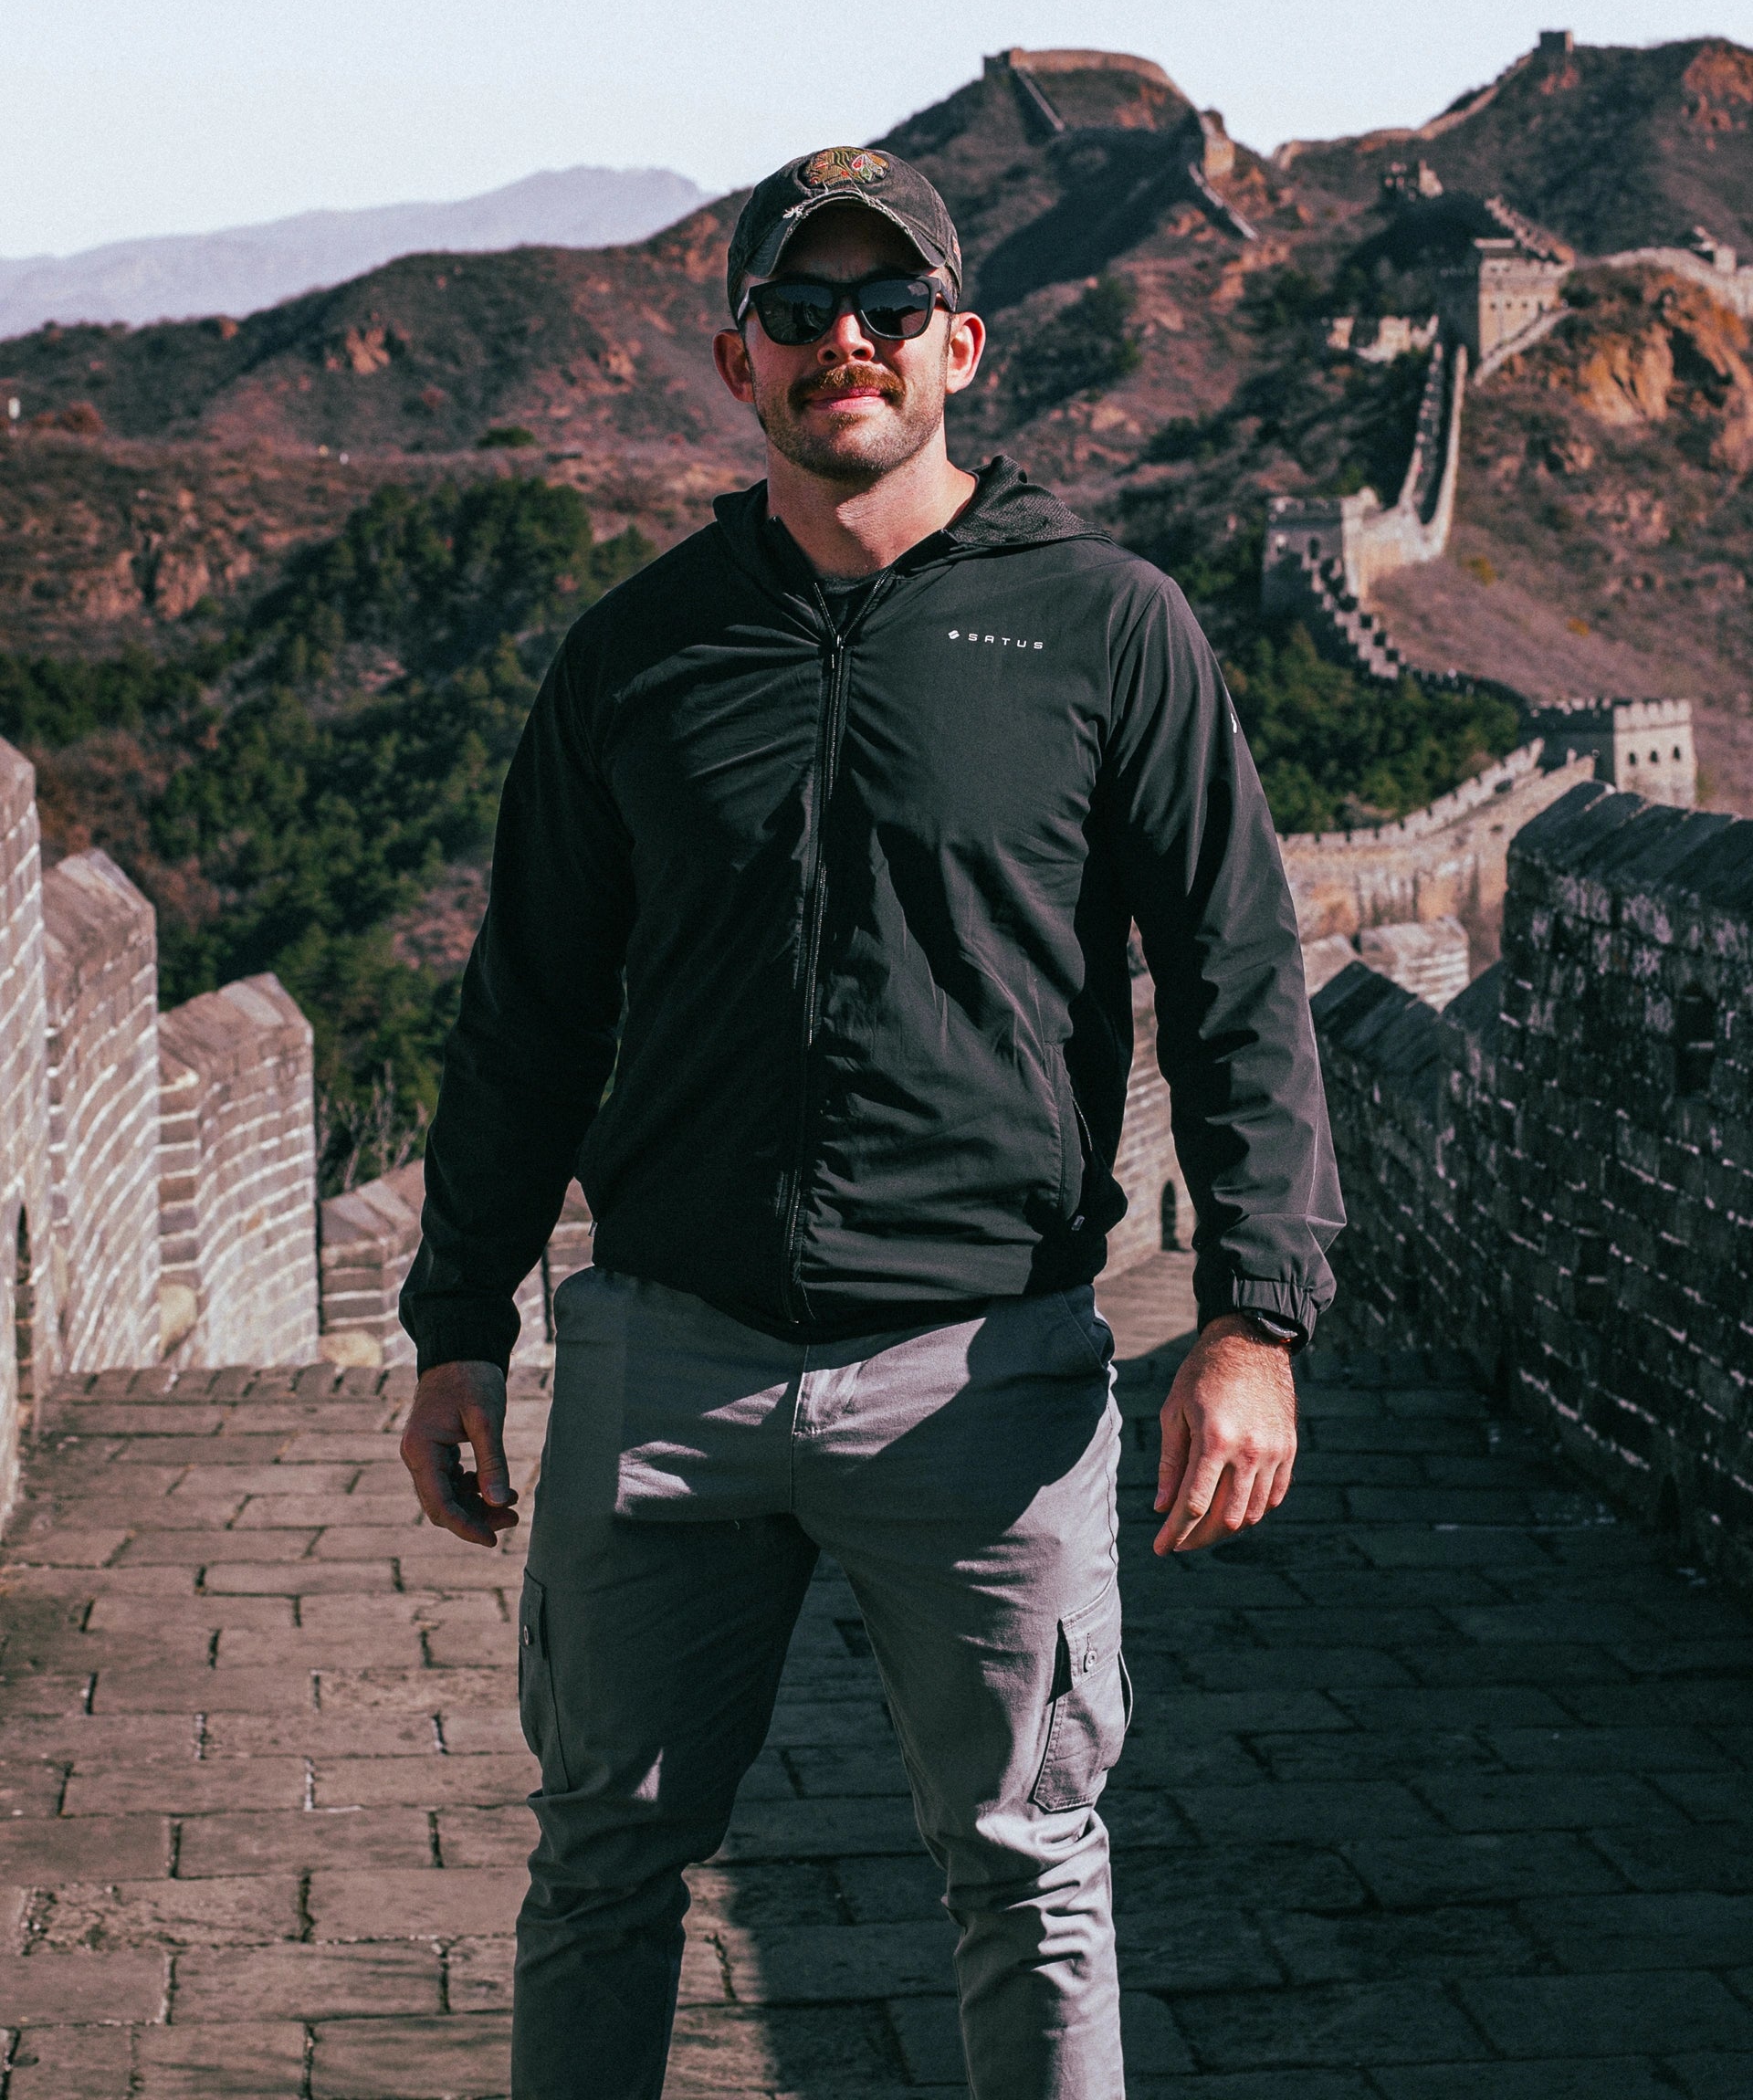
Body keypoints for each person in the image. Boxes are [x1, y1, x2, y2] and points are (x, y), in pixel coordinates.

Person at [398, 144, 1342, 2100]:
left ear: (960, 346)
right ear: (739, 361)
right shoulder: (633, 658)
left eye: (886, 306)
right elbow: (529, 1015)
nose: (848, 338)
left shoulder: (1107, 629)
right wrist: (455, 1325)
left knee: (1027, 1869)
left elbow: (1242, 973)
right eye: (803, 310)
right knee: (602, 1862)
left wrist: (1253, 1317)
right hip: (669, 1367)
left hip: (986, 1377)